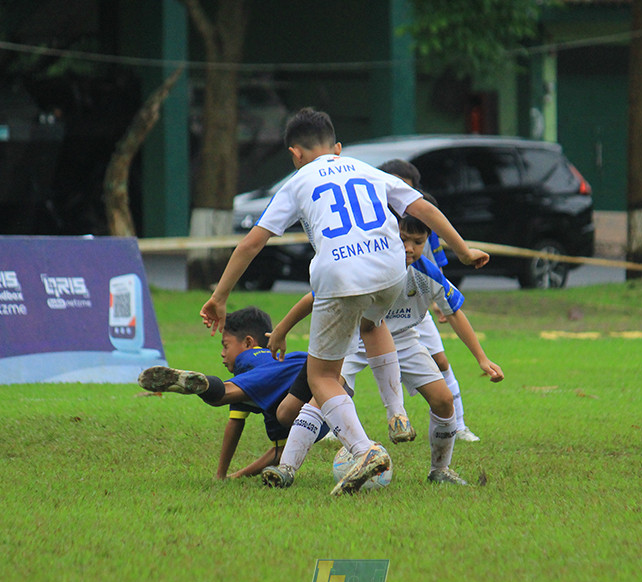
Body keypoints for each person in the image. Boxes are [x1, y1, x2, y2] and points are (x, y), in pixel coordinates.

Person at [199, 107, 489, 495]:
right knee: (371, 324)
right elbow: (422, 208)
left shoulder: (297, 180)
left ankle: (362, 449)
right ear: (336, 148)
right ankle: (396, 413)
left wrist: (219, 297)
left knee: (321, 377)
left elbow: (254, 242)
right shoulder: (367, 169)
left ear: (295, 154)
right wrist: (463, 250)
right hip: (390, 268)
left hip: (339, 274)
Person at [264, 212, 504, 487]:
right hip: (354, 339)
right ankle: (286, 469)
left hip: (403, 340)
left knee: (444, 400)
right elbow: (314, 297)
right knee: (320, 398)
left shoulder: (427, 274)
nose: (409, 248)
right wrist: (282, 329)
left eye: (417, 241)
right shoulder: (366, 267)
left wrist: (482, 359)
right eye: (402, 239)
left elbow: (455, 313)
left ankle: (440, 470)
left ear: (428, 241)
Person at [138, 306, 326, 480]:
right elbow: (278, 453)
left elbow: (234, 425)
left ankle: (204, 385)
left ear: (248, 342)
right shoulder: (263, 376)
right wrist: (232, 476)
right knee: (287, 418)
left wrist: (222, 474)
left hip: (283, 375)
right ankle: (354, 448)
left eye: (225, 346)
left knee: (222, 394)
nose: (222, 353)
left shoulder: (248, 360)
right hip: (308, 371)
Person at [378, 159, 481, 442]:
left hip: (414, 307)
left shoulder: (423, 220)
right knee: (339, 372)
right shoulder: (379, 226)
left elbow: (435, 268)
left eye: (405, 189)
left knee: (441, 361)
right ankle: (329, 422)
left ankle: (458, 425)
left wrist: (437, 301)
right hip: (373, 316)